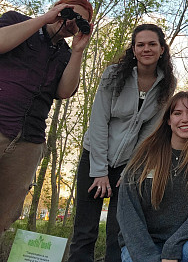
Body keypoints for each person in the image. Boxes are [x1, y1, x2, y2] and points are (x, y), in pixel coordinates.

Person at [0, 0, 93, 261]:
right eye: (69, 13)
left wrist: (79, 51)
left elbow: (64, 91)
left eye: (80, 21)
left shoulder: (66, 55)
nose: (71, 23)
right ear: (57, 8)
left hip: (28, 141)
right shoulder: (17, 21)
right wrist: (45, 19)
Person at [68, 24, 177, 262]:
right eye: (140, 45)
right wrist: (99, 171)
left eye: (152, 44)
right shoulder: (114, 75)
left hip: (128, 166)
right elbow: (98, 122)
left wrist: (130, 171)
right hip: (94, 157)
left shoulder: (167, 84)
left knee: (118, 232)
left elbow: (150, 132)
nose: (146, 49)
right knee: (85, 231)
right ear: (133, 49)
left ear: (161, 49)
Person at [116, 91, 188, 262]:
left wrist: (172, 248)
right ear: (168, 120)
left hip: (182, 243)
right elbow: (128, 211)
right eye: (177, 113)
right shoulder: (145, 155)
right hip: (142, 244)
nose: (185, 119)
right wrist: (149, 257)